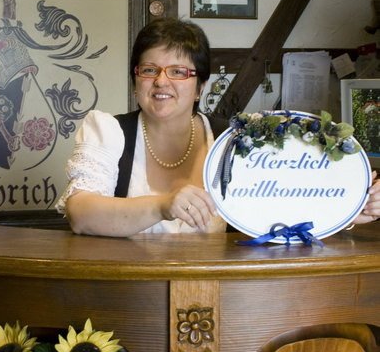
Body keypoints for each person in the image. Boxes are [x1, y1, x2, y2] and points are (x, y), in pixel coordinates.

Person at [56, 17, 380, 237]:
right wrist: (163, 205)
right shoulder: (108, 132)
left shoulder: (236, 140)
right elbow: (82, 215)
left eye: (179, 72)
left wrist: (347, 211)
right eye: (149, 70)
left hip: (222, 296)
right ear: (135, 81)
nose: (161, 81)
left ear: (200, 87)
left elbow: (279, 210)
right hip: (128, 295)